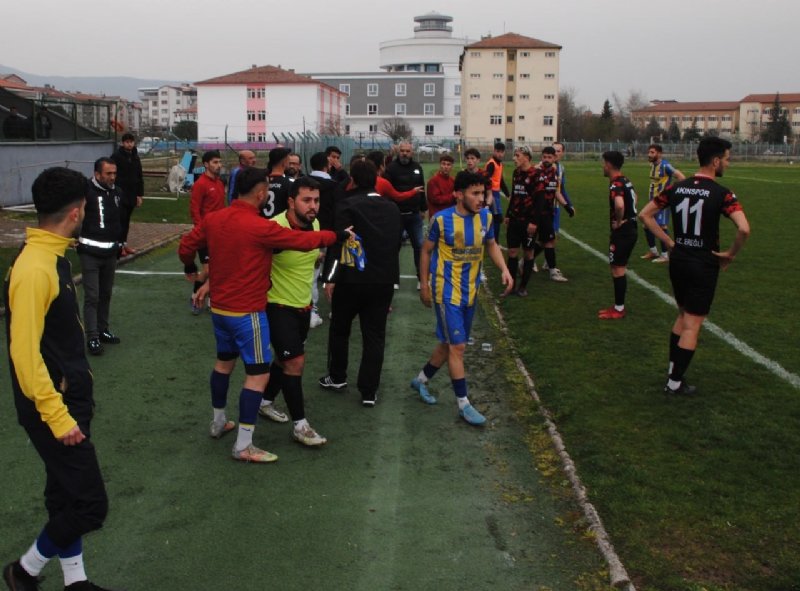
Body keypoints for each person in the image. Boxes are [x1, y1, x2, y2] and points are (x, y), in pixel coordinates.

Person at [178, 167, 348, 462]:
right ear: (260, 194)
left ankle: (219, 421)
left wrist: (192, 271)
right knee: (258, 376)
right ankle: (243, 445)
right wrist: (336, 236)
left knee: (223, 364)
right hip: (249, 313)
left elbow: (186, 246)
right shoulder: (261, 226)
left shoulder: (214, 218)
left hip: (219, 311)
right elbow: (302, 241)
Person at [3, 167, 116, 591]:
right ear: (76, 212)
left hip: (68, 398)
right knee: (90, 505)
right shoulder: (35, 268)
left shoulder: (51, 256)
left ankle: (75, 580)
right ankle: (25, 570)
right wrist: (58, 416)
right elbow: (23, 354)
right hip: (54, 407)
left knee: (64, 496)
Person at [639, 137, 750, 395]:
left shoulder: (678, 187)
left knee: (682, 315)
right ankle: (675, 383)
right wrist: (730, 254)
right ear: (715, 161)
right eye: (726, 159)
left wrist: (668, 241)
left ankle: (672, 372)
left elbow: (645, 214)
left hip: (678, 259)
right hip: (703, 262)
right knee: (692, 323)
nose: (727, 164)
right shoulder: (722, 193)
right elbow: (744, 228)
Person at [410, 170, 514, 425]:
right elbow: (426, 252)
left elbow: (490, 243)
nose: (482, 199)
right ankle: (464, 404)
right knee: (458, 347)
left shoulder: (486, 218)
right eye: (475, 193)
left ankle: (421, 380)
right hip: (446, 291)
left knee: (448, 344)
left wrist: (504, 269)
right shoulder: (441, 220)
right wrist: (424, 285)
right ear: (458, 194)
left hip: (471, 291)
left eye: (484, 193)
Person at [320, 160, 403, 406]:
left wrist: (329, 278)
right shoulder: (391, 208)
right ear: (377, 179)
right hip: (383, 280)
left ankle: (337, 376)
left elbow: (337, 244)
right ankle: (369, 390)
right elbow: (397, 242)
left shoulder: (347, 205)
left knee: (340, 328)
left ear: (352, 181)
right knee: (375, 335)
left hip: (351, 279)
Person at [259, 177, 329, 446]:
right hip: (276, 305)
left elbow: (310, 257)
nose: (313, 206)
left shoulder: (316, 225)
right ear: (291, 201)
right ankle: (300, 425)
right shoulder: (274, 228)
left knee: (283, 360)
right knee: (295, 362)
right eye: (306, 200)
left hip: (303, 307)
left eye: (316, 200)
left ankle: (264, 402)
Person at [78, 158, 124, 355]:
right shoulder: (85, 192)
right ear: (97, 174)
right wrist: (75, 237)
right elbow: (77, 216)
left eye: (114, 173)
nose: (112, 177)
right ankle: (92, 337)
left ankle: (103, 329)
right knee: (92, 296)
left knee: (106, 294)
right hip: (90, 253)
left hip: (110, 253)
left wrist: (121, 243)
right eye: (108, 174)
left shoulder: (117, 192)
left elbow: (119, 220)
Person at [598, 150, 638, 320]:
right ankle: (618, 306)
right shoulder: (626, 181)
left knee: (618, 269)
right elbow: (634, 199)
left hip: (623, 232)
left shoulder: (616, 184)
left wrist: (620, 221)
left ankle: (619, 309)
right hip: (631, 228)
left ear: (608, 165)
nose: (602, 166)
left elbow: (620, 205)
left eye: (603, 163)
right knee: (617, 267)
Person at [528, 146, 573, 283]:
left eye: (549, 157)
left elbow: (556, 192)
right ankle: (533, 265)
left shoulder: (554, 172)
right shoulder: (535, 171)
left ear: (554, 158)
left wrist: (567, 206)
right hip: (536, 213)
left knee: (547, 241)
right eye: (544, 157)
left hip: (548, 212)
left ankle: (548, 270)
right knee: (542, 241)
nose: (546, 160)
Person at [384, 141, 426, 286]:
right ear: (398, 151)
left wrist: (423, 208)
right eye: (402, 150)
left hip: (414, 215)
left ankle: (421, 279)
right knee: (394, 247)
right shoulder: (391, 168)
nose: (405, 153)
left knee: (419, 247)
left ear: (412, 152)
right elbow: (387, 192)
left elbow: (422, 189)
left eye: (407, 151)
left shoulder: (417, 167)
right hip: (396, 216)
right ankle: (393, 279)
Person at [188, 150, 225, 315]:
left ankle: (211, 298)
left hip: (219, 233)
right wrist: (200, 230)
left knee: (217, 268)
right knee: (209, 269)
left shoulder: (220, 183)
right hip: (205, 234)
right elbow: (194, 209)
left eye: (219, 162)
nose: (219, 165)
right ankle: (196, 296)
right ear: (206, 164)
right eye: (215, 162)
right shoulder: (200, 184)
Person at [642, 144, 685, 263]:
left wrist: (673, 192)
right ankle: (653, 251)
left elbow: (681, 177)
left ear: (659, 154)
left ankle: (665, 255)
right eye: (649, 152)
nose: (649, 154)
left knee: (661, 226)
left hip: (662, 203)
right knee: (646, 224)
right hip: (653, 201)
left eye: (652, 152)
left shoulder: (665, 166)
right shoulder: (653, 165)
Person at [110, 132, 144, 256]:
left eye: (131, 142)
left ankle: (124, 243)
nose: (129, 144)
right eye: (127, 142)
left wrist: (139, 194)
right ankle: (118, 247)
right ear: (123, 143)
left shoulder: (135, 156)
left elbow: (139, 176)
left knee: (127, 220)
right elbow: (112, 174)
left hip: (132, 194)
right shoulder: (116, 156)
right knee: (120, 220)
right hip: (120, 193)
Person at [483, 142, 510, 241]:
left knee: (494, 218)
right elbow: (486, 178)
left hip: (496, 193)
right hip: (491, 194)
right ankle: (494, 242)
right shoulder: (491, 164)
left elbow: (500, 180)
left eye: (501, 152)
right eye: (497, 151)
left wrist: (507, 194)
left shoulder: (499, 164)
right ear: (494, 151)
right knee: (497, 218)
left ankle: (492, 241)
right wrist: (487, 194)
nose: (499, 154)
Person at [264, 147, 292, 219]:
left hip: (262, 222)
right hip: (280, 224)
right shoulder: (290, 182)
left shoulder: (261, 181)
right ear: (284, 162)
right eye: (288, 159)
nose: (290, 162)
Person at [426, 153, 455, 219]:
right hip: (437, 216)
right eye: (443, 164)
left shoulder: (453, 180)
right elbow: (435, 199)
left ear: (452, 167)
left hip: (450, 216)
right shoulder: (433, 181)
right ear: (440, 165)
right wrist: (452, 196)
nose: (446, 166)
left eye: (448, 164)